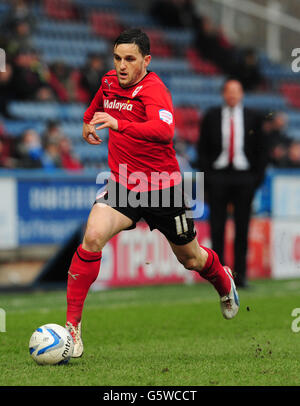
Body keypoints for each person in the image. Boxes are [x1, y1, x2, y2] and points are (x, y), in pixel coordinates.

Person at [65, 29, 239, 358]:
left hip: (162, 188)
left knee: (191, 259)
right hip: (123, 184)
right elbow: (93, 111)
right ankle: (73, 329)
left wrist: (119, 125)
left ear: (146, 60)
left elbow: (163, 131)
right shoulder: (107, 82)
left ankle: (223, 281)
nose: (121, 66)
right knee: (91, 237)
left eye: (129, 59)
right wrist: (87, 125)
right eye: (117, 58)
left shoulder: (155, 90)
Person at [197, 78, 268, 288]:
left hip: (244, 178)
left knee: (242, 228)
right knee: (217, 228)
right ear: (223, 94)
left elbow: (262, 151)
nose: (233, 95)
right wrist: (208, 177)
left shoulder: (253, 118)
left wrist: (255, 179)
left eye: (236, 91)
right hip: (218, 177)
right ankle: (218, 276)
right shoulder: (211, 116)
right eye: (229, 91)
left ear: (242, 94)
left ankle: (240, 276)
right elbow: (202, 150)